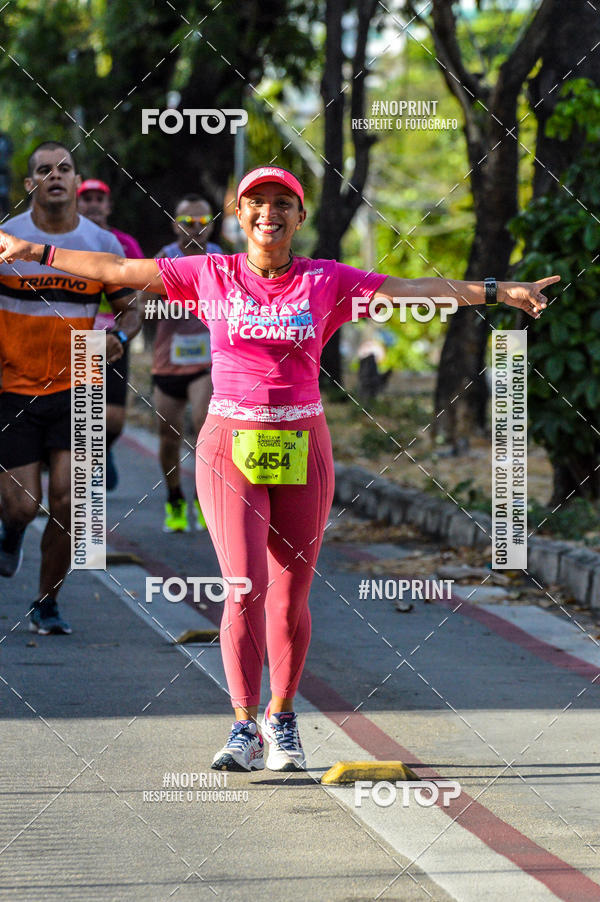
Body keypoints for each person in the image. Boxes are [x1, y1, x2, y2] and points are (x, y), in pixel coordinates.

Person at [0, 165, 558, 766]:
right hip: (228, 447)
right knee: (243, 587)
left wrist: (501, 291)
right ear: (239, 217)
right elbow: (116, 271)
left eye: (281, 204)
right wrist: (34, 249)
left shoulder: (327, 280)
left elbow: (411, 291)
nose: (269, 213)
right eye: (256, 203)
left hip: (304, 444)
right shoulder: (209, 273)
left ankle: (282, 717)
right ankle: (243, 726)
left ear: (299, 217)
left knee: (290, 598)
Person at [0, 141, 140, 635]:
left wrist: (119, 336)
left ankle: (46, 602)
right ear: (30, 184)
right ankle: (12, 528)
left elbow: (132, 307)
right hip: (12, 386)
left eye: (64, 168)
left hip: (78, 385)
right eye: (44, 170)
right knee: (23, 503)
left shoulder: (101, 245)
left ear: (77, 181)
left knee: (68, 503)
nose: (54, 176)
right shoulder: (5, 240)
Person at [150, 194, 222, 533]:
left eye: (201, 220)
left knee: (204, 429)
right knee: (168, 437)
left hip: (205, 365)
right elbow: (140, 304)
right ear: (174, 223)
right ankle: (175, 498)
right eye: (187, 221)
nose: (195, 227)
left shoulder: (223, 259)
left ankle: (204, 497)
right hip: (166, 364)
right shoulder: (164, 259)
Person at [77, 178, 145, 490]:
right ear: (77, 205)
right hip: (78, 341)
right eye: (86, 198)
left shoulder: (126, 243)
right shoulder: (68, 243)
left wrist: (125, 330)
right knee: (82, 412)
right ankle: (79, 474)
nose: (92, 204)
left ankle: (103, 451)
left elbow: (142, 290)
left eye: (98, 199)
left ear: (108, 206)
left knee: (114, 418)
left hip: (115, 338)